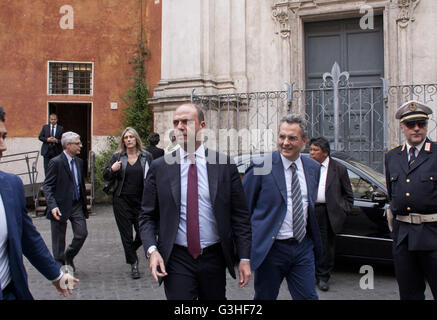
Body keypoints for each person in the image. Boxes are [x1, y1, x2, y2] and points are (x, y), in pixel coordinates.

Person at [139, 103, 251, 300]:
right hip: (176, 257)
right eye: (176, 122)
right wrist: (152, 250)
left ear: (202, 126)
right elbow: (146, 216)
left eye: (186, 122)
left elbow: (240, 216)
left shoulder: (224, 165)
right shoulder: (160, 167)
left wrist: (244, 257)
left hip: (214, 257)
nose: (180, 126)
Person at [0, 106, 77, 300]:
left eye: (4, 136)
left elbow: (28, 238)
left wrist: (57, 275)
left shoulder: (11, 186)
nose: (3, 146)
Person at [242, 114, 322, 300]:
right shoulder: (260, 167)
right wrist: (244, 253)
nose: (285, 142)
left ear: (304, 141)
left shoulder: (312, 167)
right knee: (265, 297)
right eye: (281, 137)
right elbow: (244, 211)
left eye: (292, 138)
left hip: (302, 247)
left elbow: (308, 204)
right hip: (271, 250)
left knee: (308, 297)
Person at [385, 100, 437, 300]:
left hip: (433, 234)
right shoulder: (392, 156)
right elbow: (392, 193)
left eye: (421, 124)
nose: (416, 129)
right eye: (411, 124)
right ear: (402, 127)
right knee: (409, 293)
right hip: (404, 235)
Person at [103, 127, 153, 279]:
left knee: (143, 233)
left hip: (141, 201)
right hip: (121, 200)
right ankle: (134, 263)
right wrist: (112, 169)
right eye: (126, 137)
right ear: (123, 141)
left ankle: (131, 250)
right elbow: (105, 176)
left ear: (136, 139)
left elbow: (153, 176)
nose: (129, 139)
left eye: (131, 137)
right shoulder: (117, 156)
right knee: (126, 234)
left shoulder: (146, 156)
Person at [309, 136, 354, 292]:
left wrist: (342, 210)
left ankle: (323, 277)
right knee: (309, 243)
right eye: (310, 149)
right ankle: (309, 275)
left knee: (326, 246)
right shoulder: (307, 166)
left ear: (325, 152)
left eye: (315, 150)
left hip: (328, 212)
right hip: (310, 210)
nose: (311, 153)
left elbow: (348, 195)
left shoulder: (339, 168)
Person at [43, 131, 89, 273]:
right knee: (58, 239)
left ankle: (68, 255)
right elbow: (48, 186)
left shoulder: (79, 162)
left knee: (82, 233)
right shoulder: (56, 162)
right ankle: (59, 265)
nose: (80, 145)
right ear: (68, 145)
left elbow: (80, 184)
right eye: (77, 143)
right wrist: (52, 205)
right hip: (60, 205)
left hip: (76, 204)